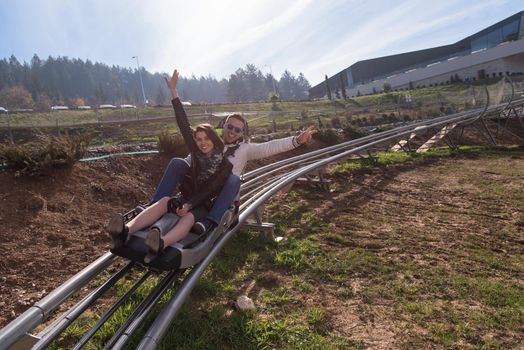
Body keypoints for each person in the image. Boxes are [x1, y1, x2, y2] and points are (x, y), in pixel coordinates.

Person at [151, 71, 316, 235]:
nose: (232, 132)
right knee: (178, 162)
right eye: (230, 126)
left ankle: (211, 221)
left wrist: (297, 140)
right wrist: (174, 93)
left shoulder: (245, 149)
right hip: (198, 187)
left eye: (237, 129)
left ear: (242, 134)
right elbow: (187, 137)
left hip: (217, 194)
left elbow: (269, 147)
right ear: (224, 125)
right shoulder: (209, 141)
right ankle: (155, 204)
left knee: (233, 179)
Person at [107, 69, 232, 263]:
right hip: (187, 198)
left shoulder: (225, 166)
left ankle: (161, 243)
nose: (202, 143)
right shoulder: (197, 153)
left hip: (204, 204)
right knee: (165, 200)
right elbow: (183, 123)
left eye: (206, 139)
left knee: (189, 217)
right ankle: (126, 230)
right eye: (198, 139)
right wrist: (174, 93)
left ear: (214, 140)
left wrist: (189, 205)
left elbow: (211, 189)